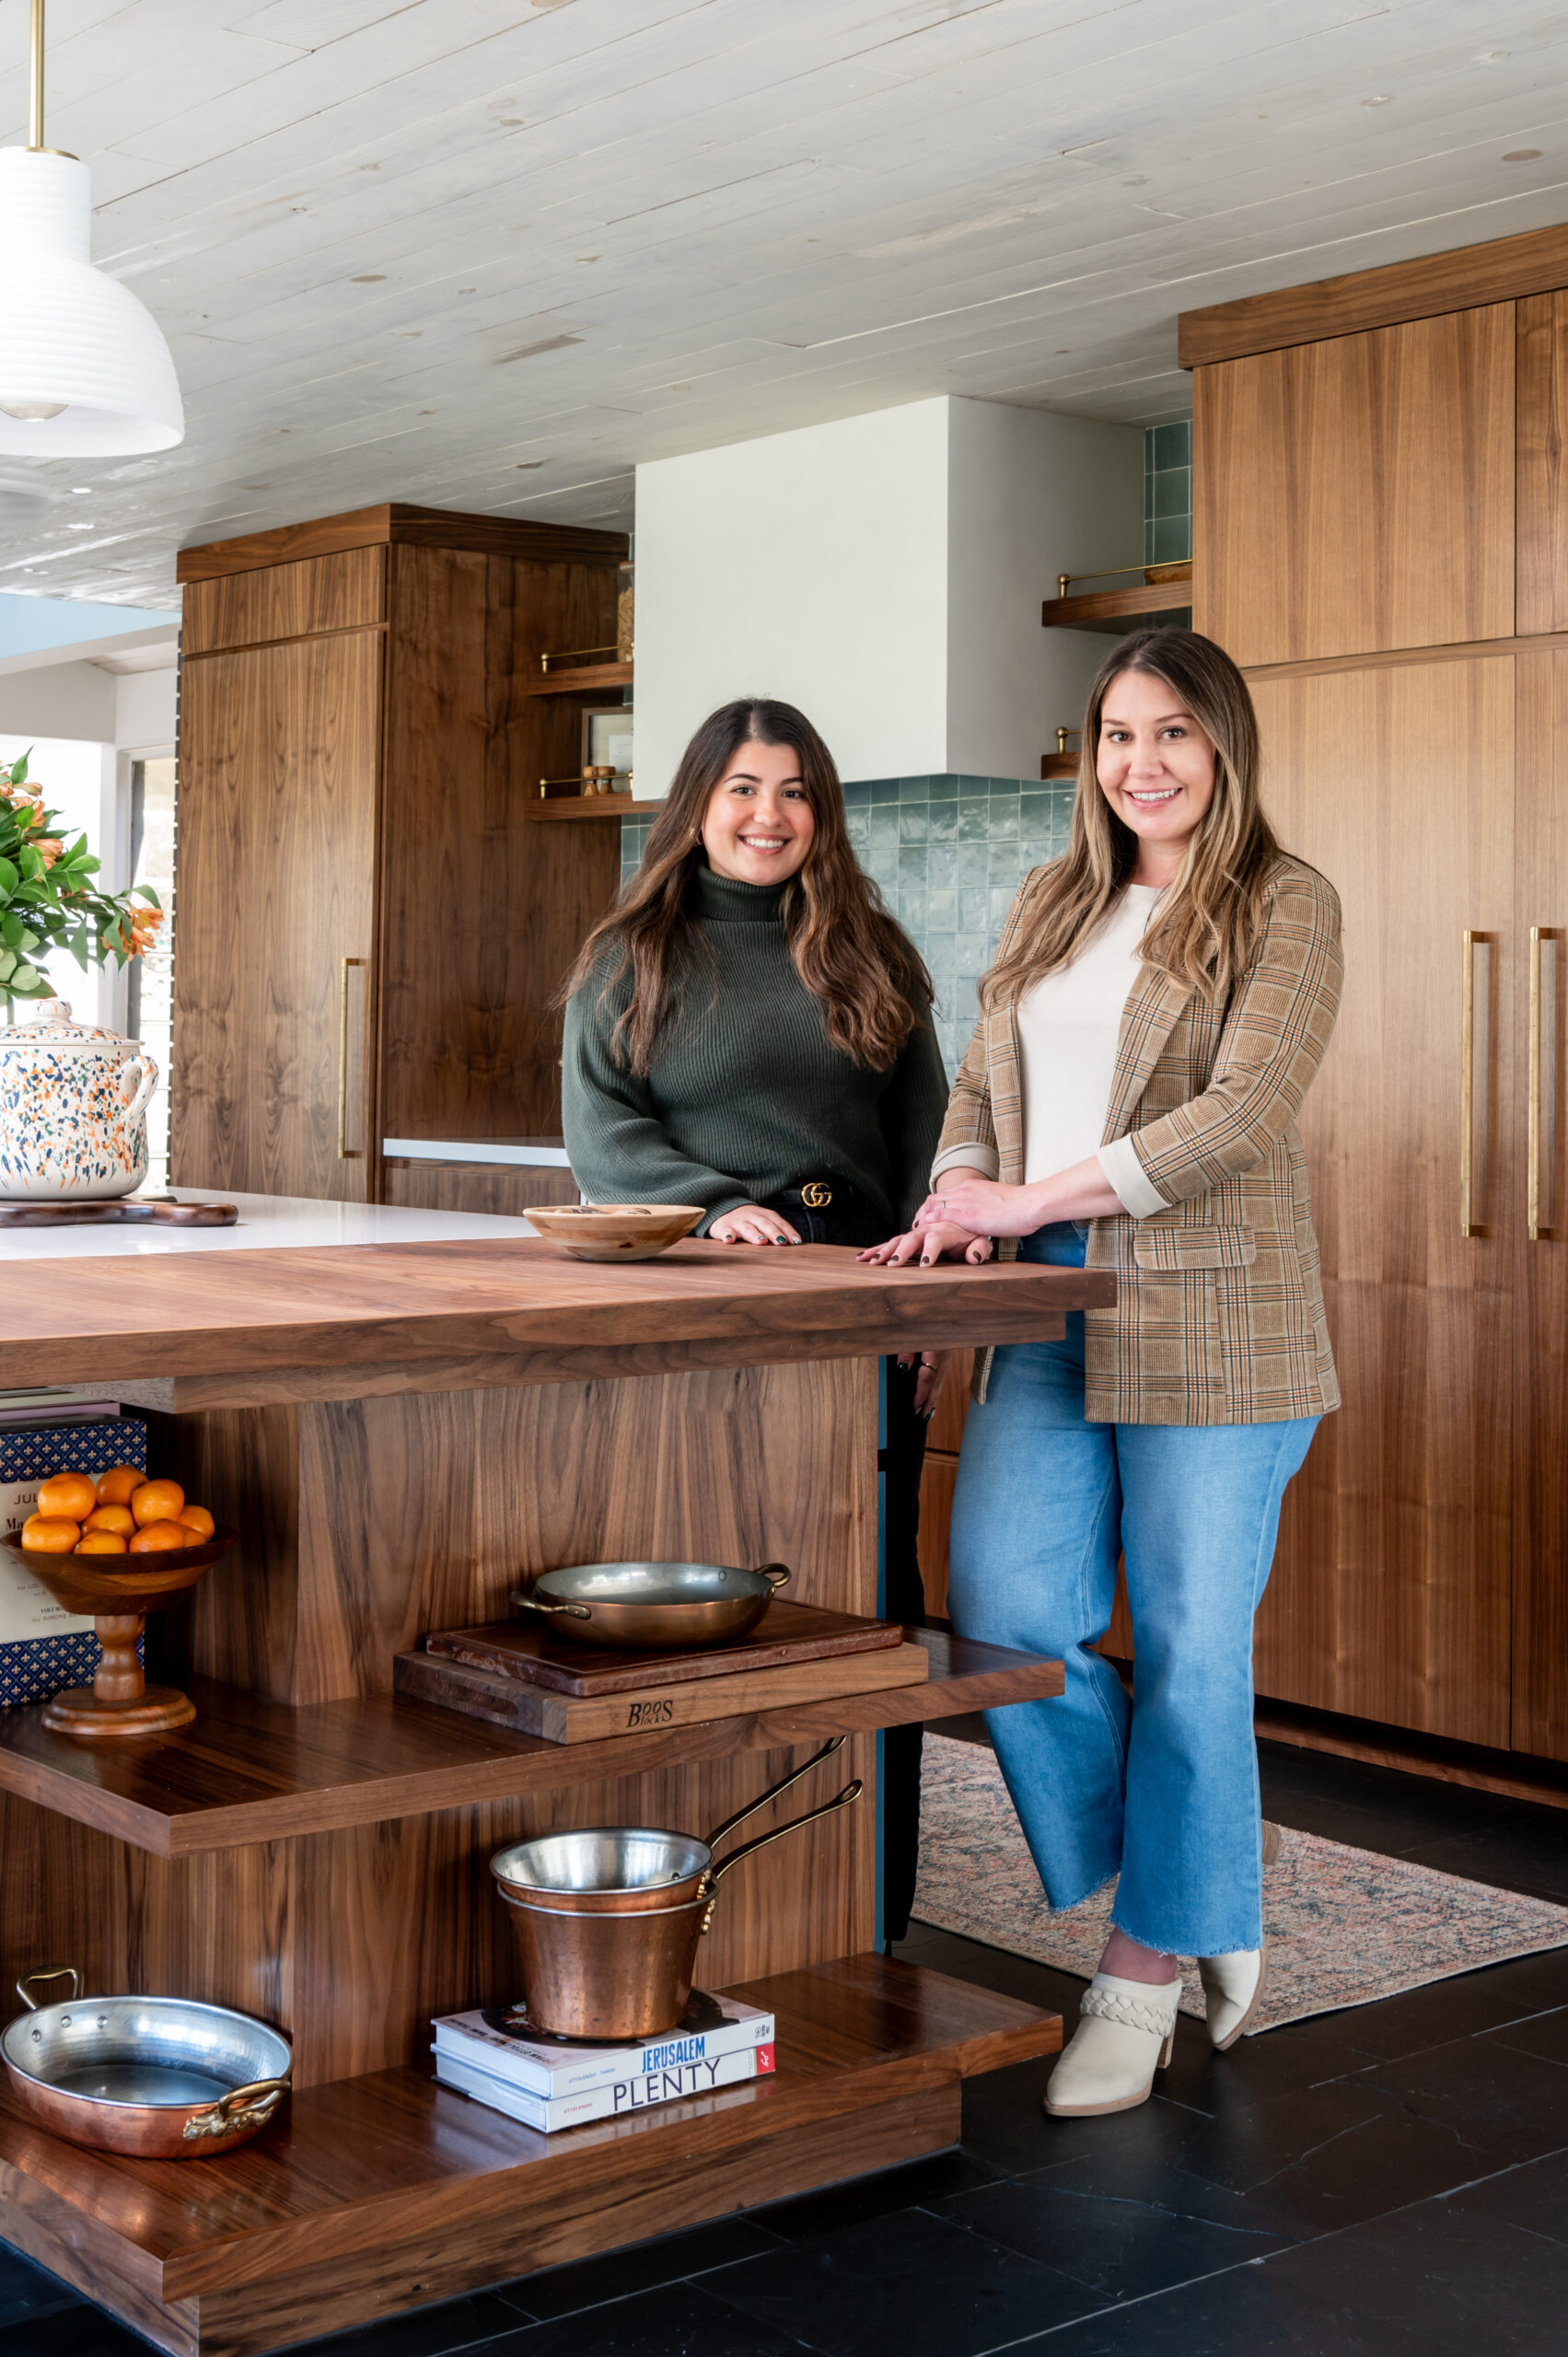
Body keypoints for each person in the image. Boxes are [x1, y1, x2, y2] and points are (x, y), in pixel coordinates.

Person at [861, 628, 1342, 2113]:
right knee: (1006, 1607)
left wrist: (1028, 1202)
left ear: (1226, 748)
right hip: (1043, 1303)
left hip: (1216, 1317)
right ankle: (1204, 1877)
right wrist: (959, 1198)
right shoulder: (1053, 897)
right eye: (1122, 735)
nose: (1145, 765)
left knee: (1195, 1642)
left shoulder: (1285, 901)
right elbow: (977, 1093)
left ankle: (1141, 1973)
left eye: (1176, 735)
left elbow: (1243, 1114)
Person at [560, 695, 949, 1939]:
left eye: (794, 793)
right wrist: (713, 1204)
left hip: (861, 1284)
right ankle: (715, 1882)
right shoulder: (634, 953)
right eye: (743, 789)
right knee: (730, 1587)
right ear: (698, 805)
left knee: (874, 1591)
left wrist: (940, 1288)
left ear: (821, 815)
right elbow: (602, 1130)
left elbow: (934, 1131)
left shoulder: (872, 949)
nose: (769, 815)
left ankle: (871, 1899)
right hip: (713, 1294)